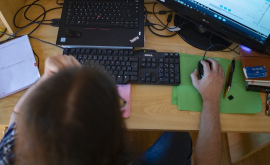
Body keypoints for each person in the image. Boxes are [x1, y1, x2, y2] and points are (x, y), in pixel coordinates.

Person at [0, 55, 224, 165]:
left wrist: (47, 81)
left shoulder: (11, 154)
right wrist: (211, 100)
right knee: (179, 138)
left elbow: (17, 117)